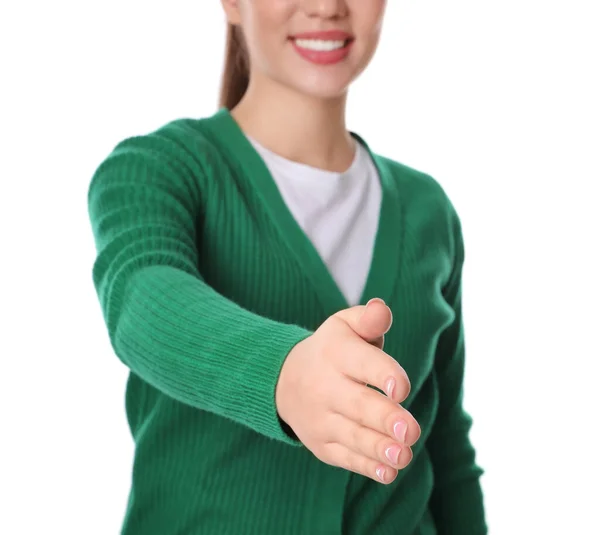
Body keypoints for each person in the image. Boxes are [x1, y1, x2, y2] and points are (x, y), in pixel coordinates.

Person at [87, 1, 487, 533]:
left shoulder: (428, 209)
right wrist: (284, 375)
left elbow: (447, 450)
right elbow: (141, 297)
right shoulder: (158, 169)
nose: (327, 7)